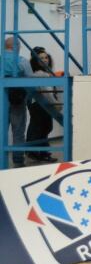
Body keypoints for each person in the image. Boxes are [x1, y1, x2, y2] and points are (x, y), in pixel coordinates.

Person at [25, 47, 58, 163]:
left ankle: (35, 152)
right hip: (40, 104)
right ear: (36, 60)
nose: (45, 60)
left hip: (36, 104)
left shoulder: (41, 73)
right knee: (43, 128)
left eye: (46, 57)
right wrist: (56, 103)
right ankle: (40, 153)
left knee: (39, 127)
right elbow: (47, 92)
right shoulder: (41, 74)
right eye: (41, 58)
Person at [3, 37, 32, 167]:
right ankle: (18, 161)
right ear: (17, 47)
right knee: (18, 131)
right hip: (17, 100)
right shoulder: (22, 61)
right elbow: (31, 80)